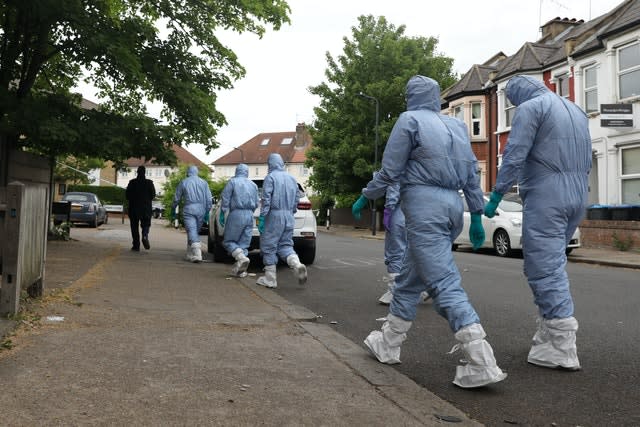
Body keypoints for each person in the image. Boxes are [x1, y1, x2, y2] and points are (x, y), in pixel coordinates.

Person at [353, 75, 506, 388]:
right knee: (411, 280)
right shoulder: (456, 125)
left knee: (443, 281)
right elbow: (471, 173)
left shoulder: (409, 120)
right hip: (453, 207)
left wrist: (367, 195)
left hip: (425, 206)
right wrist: (476, 214)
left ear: (411, 96)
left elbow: (392, 170)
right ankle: (388, 342)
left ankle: (480, 359)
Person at [484, 75, 591, 371]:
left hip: (548, 193)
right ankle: (548, 332)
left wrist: (497, 194)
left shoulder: (532, 109)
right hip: (577, 193)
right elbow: (587, 156)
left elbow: (514, 154)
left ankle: (562, 345)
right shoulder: (575, 110)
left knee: (544, 268)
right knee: (554, 263)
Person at [255, 153, 307, 289]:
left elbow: (266, 198)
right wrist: (291, 211)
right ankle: (297, 265)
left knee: (269, 246)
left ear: (270, 164)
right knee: (285, 245)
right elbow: (297, 197)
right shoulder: (291, 178)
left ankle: (270, 279)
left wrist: (262, 217)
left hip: (274, 215)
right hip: (289, 215)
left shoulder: (270, 177)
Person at [374, 184, 430, 305]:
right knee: (417, 251)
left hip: (401, 211)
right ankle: (428, 284)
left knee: (395, 251)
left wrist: (388, 208)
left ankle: (395, 291)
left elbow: (393, 182)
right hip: (424, 210)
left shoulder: (398, 165)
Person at [219, 163, 259, 277]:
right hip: (250, 215)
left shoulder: (233, 182)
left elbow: (225, 197)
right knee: (244, 243)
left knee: (228, 241)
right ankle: (241, 271)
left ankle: (241, 258)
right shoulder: (253, 185)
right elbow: (256, 202)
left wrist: (223, 211)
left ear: (237, 171)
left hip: (236, 213)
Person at [171, 165, 213, 263]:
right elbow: (208, 199)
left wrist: (173, 208)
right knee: (194, 232)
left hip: (189, 209)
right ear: (196, 172)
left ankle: (197, 254)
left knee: (192, 231)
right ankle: (190, 254)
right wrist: (207, 210)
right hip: (201, 210)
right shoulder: (204, 183)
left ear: (188, 172)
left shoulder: (184, 182)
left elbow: (177, 198)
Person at [126, 165, 156, 251]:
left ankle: (136, 245)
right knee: (146, 224)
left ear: (137, 172)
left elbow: (127, 196)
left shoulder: (132, 182)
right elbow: (153, 195)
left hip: (134, 209)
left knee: (134, 227)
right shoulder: (149, 183)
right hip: (146, 208)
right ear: (145, 172)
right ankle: (145, 235)